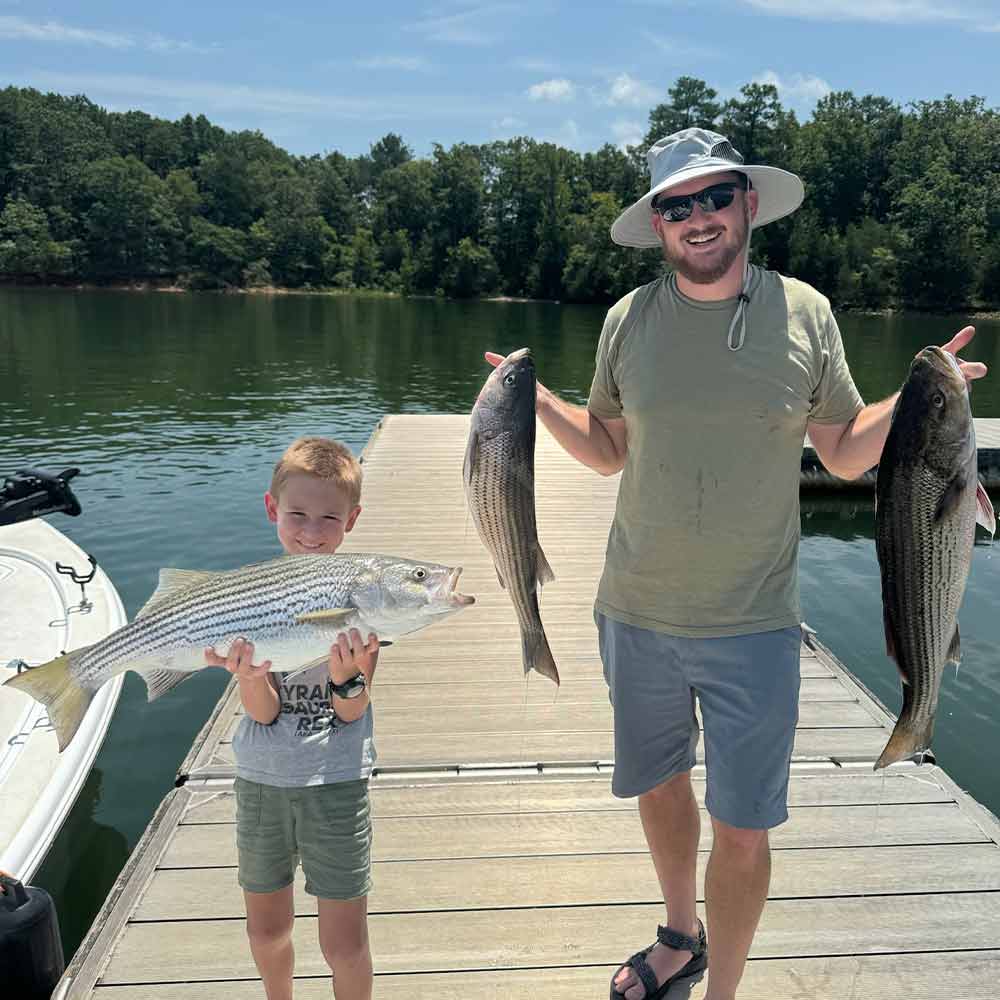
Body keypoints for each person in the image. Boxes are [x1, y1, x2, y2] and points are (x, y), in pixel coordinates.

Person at [486, 128, 987, 1000]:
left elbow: (837, 452)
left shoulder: (806, 311)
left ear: (749, 204)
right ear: (659, 225)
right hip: (634, 607)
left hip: (754, 621)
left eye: (715, 196)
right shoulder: (627, 320)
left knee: (745, 827)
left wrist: (915, 404)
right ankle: (680, 934)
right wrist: (537, 401)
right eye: (676, 206)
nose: (698, 217)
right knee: (659, 785)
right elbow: (607, 450)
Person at [204, 436, 379, 1000]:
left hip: (337, 783)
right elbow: (264, 711)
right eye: (298, 514)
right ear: (272, 510)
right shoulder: (255, 595)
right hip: (262, 785)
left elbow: (351, 712)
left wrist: (347, 675)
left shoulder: (360, 607)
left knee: (344, 946)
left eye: (329, 517)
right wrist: (250, 678)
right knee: (268, 930)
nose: (312, 530)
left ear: (351, 521)